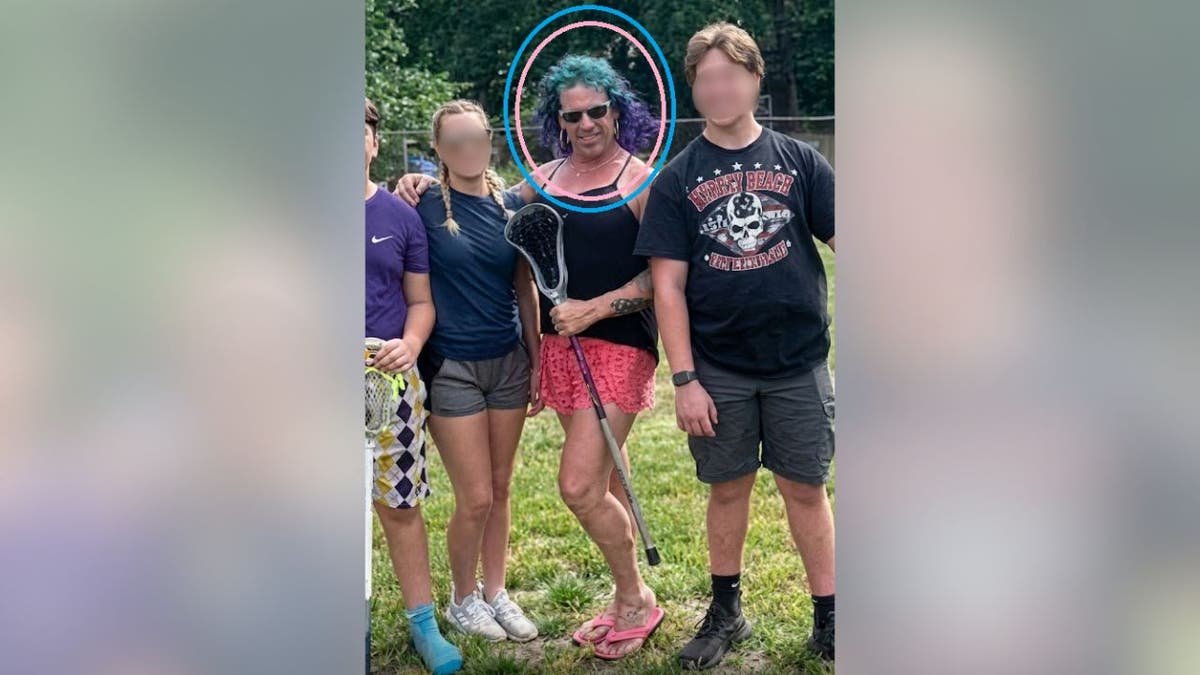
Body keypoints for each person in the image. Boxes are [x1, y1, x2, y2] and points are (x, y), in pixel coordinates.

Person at [394, 54, 664, 660]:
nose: (587, 122)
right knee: (600, 480)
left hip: (619, 347)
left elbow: (664, 277)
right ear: (558, 121)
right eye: (574, 114)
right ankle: (620, 597)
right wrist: (410, 183)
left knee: (577, 485)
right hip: (563, 351)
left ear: (616, 110)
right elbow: (480, 204)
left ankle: (636, 598)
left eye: (598, 110)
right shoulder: (539, 182)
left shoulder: (642, 180)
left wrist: (594, 310)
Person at [634, 24, 837, 669]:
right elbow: (667, 286)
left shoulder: (801, 162)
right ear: (694, 87)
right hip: (718, 367)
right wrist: (686, 379)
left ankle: (830, 617)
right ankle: (727, 611)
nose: (720, 88)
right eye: (706, 78)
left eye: (731, 75)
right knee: (728, 488)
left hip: (799, 363)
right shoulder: (677, 179)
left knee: (806, 489)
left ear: (755, 80)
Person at [412, 100, 540, 643]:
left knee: (502, 487)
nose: (469, 150)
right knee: (476, 496)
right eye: (455, 142)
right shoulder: (419, 207)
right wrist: (404, 183)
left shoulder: (509, 208)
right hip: (452, 367)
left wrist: (536, 360)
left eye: (478, 139)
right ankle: (462, 597)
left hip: (508, 363)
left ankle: (495, 592)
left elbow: (524, 288)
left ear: (491, 141)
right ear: (438, 150)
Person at [364, 98, 462, 675]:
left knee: (400, 504)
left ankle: (423, 623)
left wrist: (411, 343)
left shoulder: (399, 217)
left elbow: (420, 301)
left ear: (374, 142)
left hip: (388, 373)